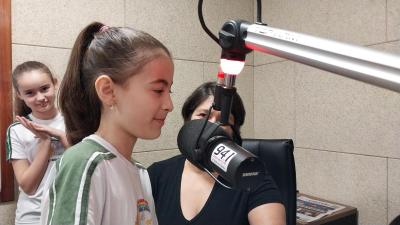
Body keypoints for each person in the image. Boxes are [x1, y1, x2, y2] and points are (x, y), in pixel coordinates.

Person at [40, 22, 174, 225]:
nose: (169, 105)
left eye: (169, 91)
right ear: (107, 90)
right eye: (157, 90)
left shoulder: (140, 173)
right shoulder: (86, 164)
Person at [148, 81, 286, 225]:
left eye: (223, 120)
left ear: (234, 132)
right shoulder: (157, 174)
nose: (212, 125)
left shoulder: (250, 177)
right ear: (187, 122)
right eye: (203, 115)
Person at [6, 61, 69, 225]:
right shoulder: (16, 130)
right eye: (30, 93)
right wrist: (46, 141)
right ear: (19, 95)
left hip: (69, 209)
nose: (40, 97)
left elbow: (84, 163)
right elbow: (28, 186)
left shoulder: (74, 121)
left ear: (55, 83)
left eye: (44, 88)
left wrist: (61, 136)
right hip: (32, 216)